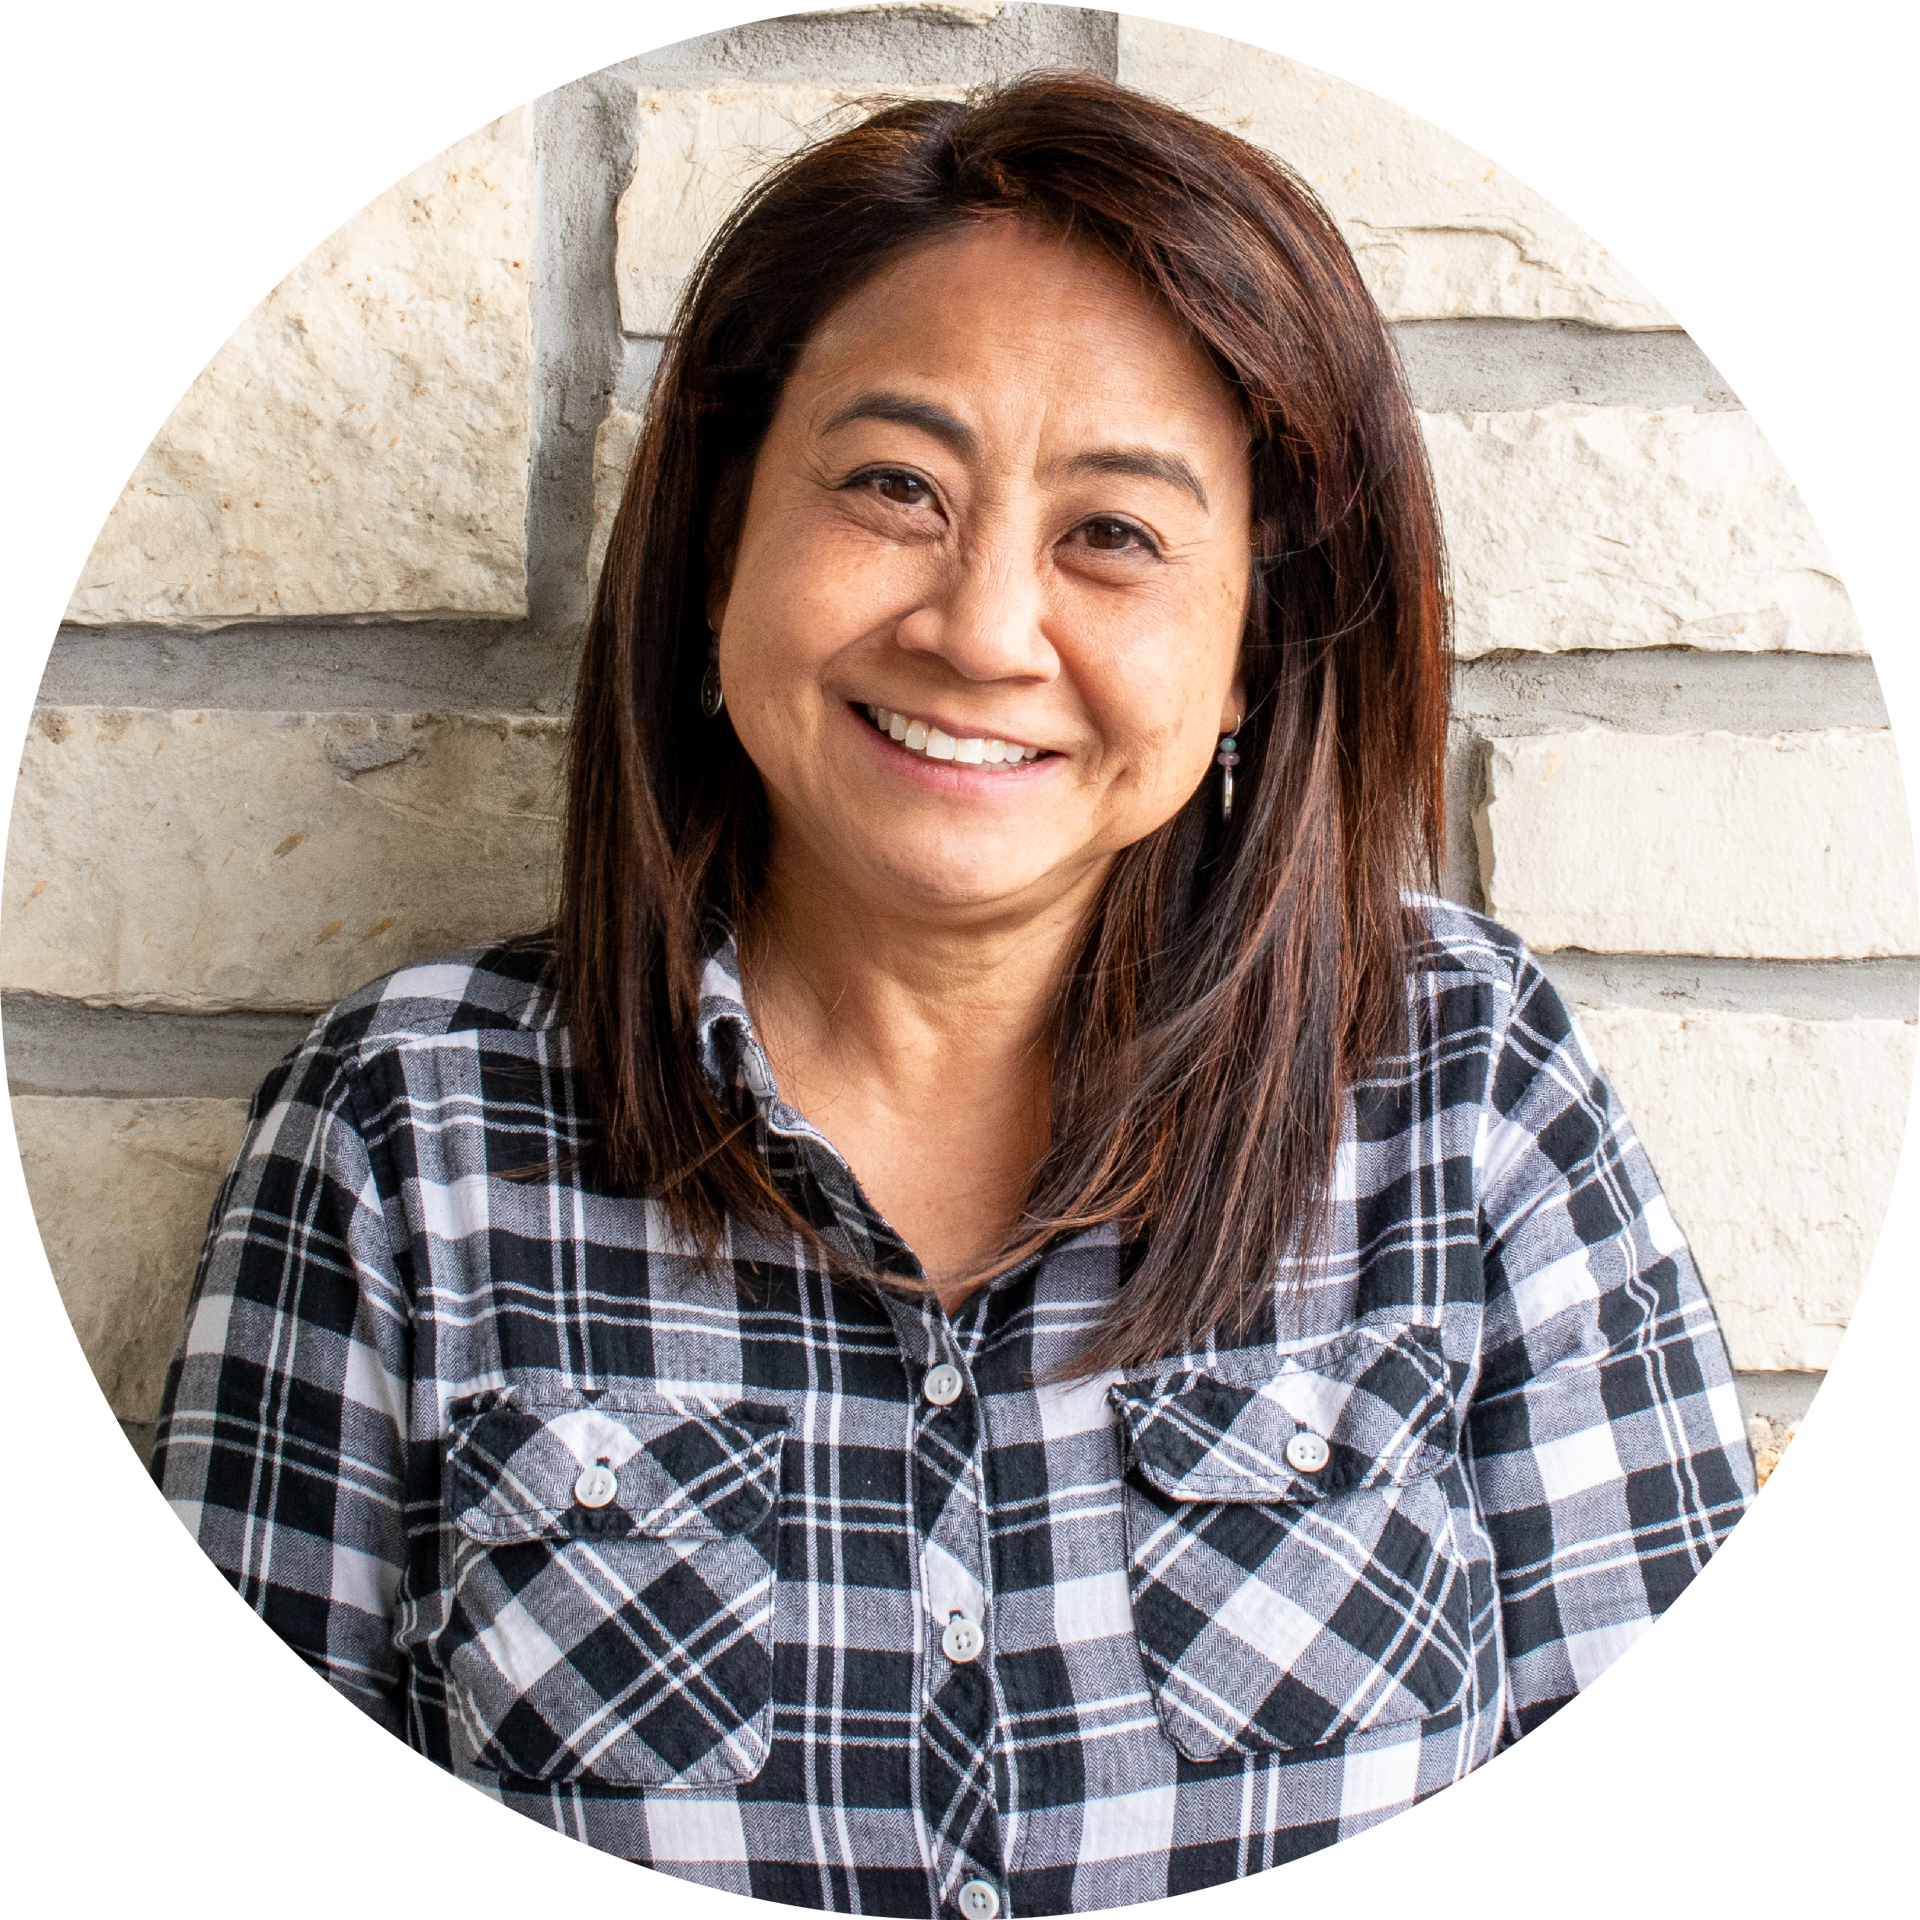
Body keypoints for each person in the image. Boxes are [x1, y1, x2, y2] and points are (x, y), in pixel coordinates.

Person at [153, 69, 1754, 1915]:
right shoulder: (402, 1136)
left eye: (1118, 534)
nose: (984, 628)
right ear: (714, 556)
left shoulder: (1457, 1083)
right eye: (893, 486)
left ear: (1250, 656)